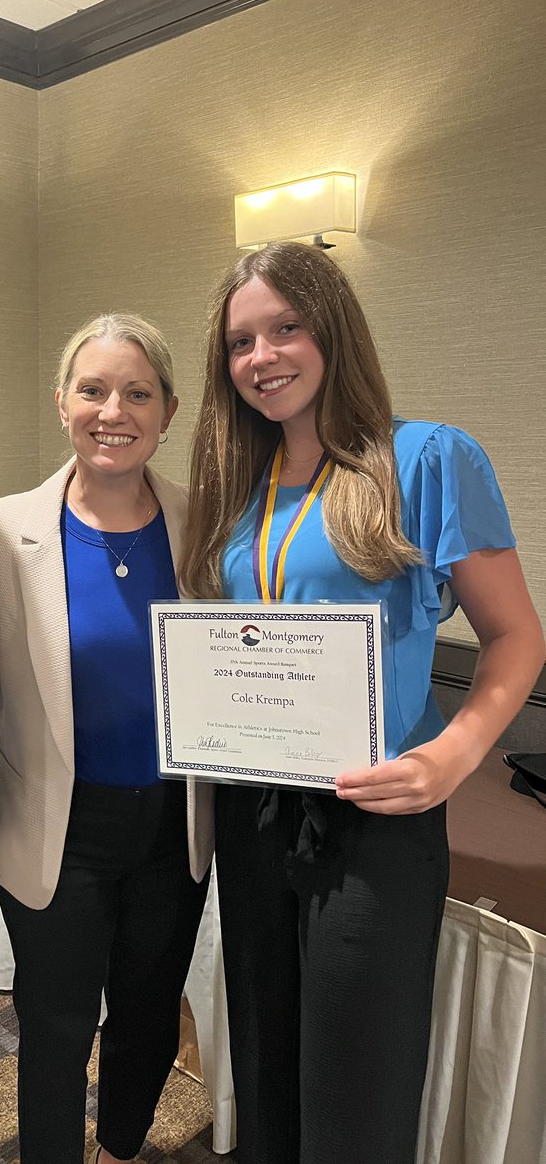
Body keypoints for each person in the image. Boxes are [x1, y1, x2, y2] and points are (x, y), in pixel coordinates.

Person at [178, 241, 544, 1164]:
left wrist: (450, 757)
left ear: (333, 328)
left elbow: (515, 636)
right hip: (252, 808)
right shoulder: (237, 482)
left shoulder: (423, 458)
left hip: (376, 816)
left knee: (357, 1084)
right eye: (240, 342)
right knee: (262, 1062)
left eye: (285, 328)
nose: (261, 357)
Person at [0, 314, 214, 1164]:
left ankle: (120, 1148)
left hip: (170, 827)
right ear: (61, 402)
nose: (113, 409)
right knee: (52, 1025)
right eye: (93, 389)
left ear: (168, 411)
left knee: (149, 1016)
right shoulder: (6, 530)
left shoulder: (205, 523)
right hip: (56, 829)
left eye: (137, 392)